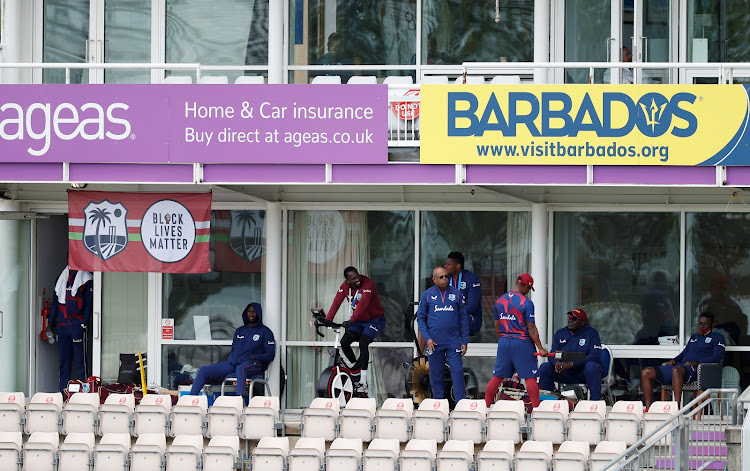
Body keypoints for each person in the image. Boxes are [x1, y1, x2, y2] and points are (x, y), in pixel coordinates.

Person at [484, 274, 549, 408]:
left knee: (497, 377)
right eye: (529, 288)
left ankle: (486, 409)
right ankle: (537, 411)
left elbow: (497, 326)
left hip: (504, 341)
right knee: (530, 378)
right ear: (525, 286)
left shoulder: (500, 300)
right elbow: (531, 328)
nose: (529, 291)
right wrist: (540, 348)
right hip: (522, 342)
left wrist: (502, 340)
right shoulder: (526, 303)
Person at [189, 303, 276, 400]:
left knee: (241, 369)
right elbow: (234, 350)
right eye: (249, 311)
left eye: (254, 311)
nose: (251, 313)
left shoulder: (265, 332)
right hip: (233, 364)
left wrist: (254, 357)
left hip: (254, 365)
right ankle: (190, 400)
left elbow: (270, 355)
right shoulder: (240, 331)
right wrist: (233, 359)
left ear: (259, 313)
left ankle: (239, 400)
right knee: (204, 370)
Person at [640, 313, 725, 409]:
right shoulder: (694, 337)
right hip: (680, 367)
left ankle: (676, 410)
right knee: (646, 372)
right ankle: (649, 410)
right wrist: (674, 360)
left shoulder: (718, 337)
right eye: (700, 323)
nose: (702, 326)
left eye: (705, 323)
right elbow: (684, 353)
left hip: (696, 370)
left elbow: (717, 358)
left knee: (676, 370)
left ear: (712, 324)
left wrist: (696, 362)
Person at [326, 266, 386, 395]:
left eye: (357, 275)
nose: (357, 279)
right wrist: (328, 320)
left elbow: (363, 305)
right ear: (348, 281)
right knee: (344, 342)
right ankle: (356, 369)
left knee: (363, 343)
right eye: (353, 278)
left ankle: (363, 382)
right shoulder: (345, 287)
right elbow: (337, 302)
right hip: (358, 321)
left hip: (374, 320)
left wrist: (351, 320)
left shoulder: (368, 283)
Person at [416, 266, 469, 402]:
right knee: (436, 374)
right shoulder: (427, 295)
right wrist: (427, 338)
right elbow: (421, 318)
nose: (445, 279)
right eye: (441, 277)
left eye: (446, 276)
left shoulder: (457, 294)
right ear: (434, 279)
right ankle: (439, 404)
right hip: (434, 343)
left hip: (453, 342)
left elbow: (463, 319)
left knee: (457, 372)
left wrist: (464, 341)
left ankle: (460, 403)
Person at [538, 308, 603, 400]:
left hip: (582, 372)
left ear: (582, 322)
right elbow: (553, 354)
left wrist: (572, 364)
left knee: (592, 366)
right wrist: (556, 364)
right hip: (564, 372)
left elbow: (595, 356)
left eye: (574, 318)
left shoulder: (592, 333)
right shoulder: (560, 333)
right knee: (545, 367)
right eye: (569, 317)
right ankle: (549, 402)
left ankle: (595, 403)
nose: (570, 320)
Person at [48, 265, 93, 393]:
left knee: (81, 363)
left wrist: (84, 323)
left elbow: (89, 304)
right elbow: (55, 302)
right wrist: (50, 323)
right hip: (62, 326)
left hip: (77, 325)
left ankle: (84, 396)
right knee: (64, 364)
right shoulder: (61, 278)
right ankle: (62, 395)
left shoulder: (86, 279)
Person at [699, 275, 747, 346]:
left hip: (727, 346)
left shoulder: (733, 306)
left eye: (716, 287)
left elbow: (740, 330)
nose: (712, 290)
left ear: (723, 289)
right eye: (712, 287)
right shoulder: (705, 304)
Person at [444, 251, 483, 336]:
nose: (445, 266)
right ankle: (420, 349)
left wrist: (452, 312)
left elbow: (472, 307)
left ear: (457, 266)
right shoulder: (445, 279)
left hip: (471, 318)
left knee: (449, 323)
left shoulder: (471, 279)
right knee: (427, 321)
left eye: (448, 264)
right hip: (448, 315)